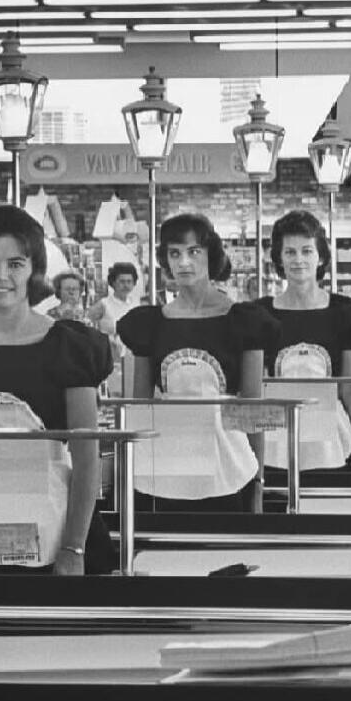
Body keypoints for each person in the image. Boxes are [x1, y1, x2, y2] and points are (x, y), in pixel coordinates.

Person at [0, 206, 114, 575]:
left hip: (58, 535)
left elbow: (87, 458)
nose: (1, 276)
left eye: (15, 264)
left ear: (34, 269)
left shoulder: (69, 346)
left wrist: (74, 547)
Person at [118, 213, 278, 512]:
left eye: (194, 252)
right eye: (175, 253)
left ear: (211, 256)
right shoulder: (149, 324)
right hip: (165, 468)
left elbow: (253, 406)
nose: (184, 262)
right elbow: (141, 406)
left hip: (229, 466)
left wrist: (258, 481)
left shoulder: (244, 321)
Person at [257, 210, 351, 474]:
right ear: (278, 257)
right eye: (290, 252)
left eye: (306, 251)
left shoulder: (344, 312)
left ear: (320, 256)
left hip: (331, 443)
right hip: (275, 443)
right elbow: (254, 392)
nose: (298, 260)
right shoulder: (260, 315)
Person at [87, 262, 139, 344]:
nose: (126, 285)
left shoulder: (136, 304)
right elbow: (86, 325)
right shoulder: (103, 304)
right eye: (122, 282)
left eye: (129, 282)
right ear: (113, 282)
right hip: (109, 351)